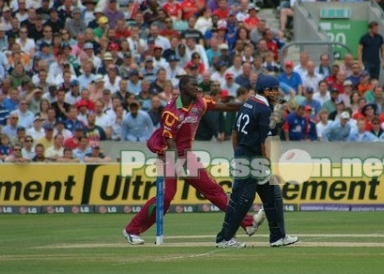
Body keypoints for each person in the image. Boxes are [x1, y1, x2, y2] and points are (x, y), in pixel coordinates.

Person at [123, 75, 265, 245]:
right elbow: (169, 142)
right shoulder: (171, 111)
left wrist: (252, 106)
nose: (197, 88)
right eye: (193, 85)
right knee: (166, 198)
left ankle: (248, 223)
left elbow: (226, 105)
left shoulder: (200, 102)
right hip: (168, 155)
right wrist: (180, 165)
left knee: (214, 190)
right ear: (182, 87)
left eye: (198, 85)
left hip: (186, 155)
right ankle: (132, 230)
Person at [215, 75, 298, 248]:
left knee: (272, 195)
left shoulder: (247, 103)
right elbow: (264, 143)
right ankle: (225, 238)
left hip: (246, 155)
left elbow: (235, 133)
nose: (275, 92)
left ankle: (277, 237)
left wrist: (238, 154)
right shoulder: (264, 109)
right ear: (264, 90)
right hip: (254, 158)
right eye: (272, 89)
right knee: (243, 198)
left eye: (276, 89)